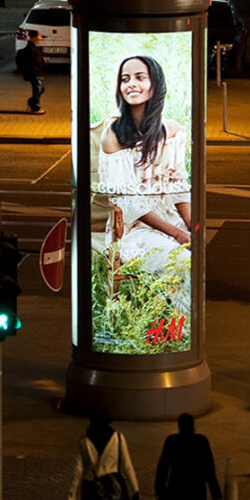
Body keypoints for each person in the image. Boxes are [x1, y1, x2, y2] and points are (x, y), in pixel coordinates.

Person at [97, 55, 192, 315]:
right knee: (185, 262)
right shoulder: (113, 135)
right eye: (125, 79)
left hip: (172, 221)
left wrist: (194, 227)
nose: (131, 84)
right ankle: (178, 330)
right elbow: (129, 203)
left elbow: (179, 187)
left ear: (154, 84)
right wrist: (178, 234)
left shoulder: (172, 131)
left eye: (140, 77)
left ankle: (177, 326)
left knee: (199, 257)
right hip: (134, 229)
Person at [71, 412, 141, 500]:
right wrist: (135, 489)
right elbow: (127, 466)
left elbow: (78, 470)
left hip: (90, 487)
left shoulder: (84, 441)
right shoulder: (118, 438)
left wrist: (72, 496)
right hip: (112, 484)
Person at [155, 413, 223, 500]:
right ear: (192, 425)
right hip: (195, 493)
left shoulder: (172, 441)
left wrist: (160, 493)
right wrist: (216, 496)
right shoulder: (201, 441)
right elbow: (210, 471)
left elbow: (163, 468)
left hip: (177, 493)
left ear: (179, 426)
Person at [20, 30, 50, 114]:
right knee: (38, 88)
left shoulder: (34, 47)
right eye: (39, 35)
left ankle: (33, 102)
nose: (40, 37)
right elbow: (32, 61)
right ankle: (35, 106)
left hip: (37, 72)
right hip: (34, 72)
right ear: (35, 37)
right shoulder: (30, 48)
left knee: (40, 88)